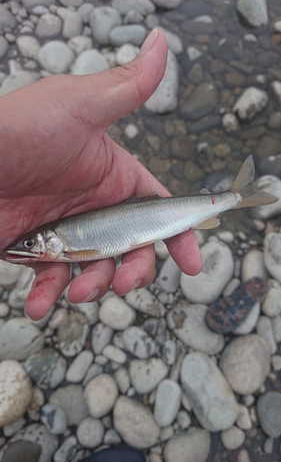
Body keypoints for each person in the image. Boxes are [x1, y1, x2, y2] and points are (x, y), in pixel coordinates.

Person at [0, 29, 201, 322]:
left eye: (32, 243)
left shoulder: (63, 245)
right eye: (31, 244)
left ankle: (231, 198)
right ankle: (232, 198)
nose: (29, 247)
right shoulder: (62, 247)